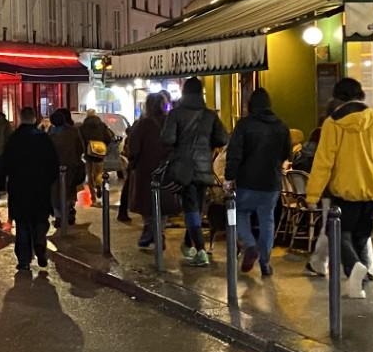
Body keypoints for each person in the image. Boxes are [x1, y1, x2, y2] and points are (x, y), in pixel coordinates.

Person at [302, 77, 373, 297]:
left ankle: (354, 268)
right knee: (361, 237)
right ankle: (356, 286)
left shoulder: (333, 124)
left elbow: (324, 162)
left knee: (339, 235)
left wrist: (312, 195)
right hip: (370, 192)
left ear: (338, 98)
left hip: (343, 193)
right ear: (361, 95)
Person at [159, 76, 228, 267]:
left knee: (191, 209)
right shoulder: (210, 115)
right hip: (204, 167)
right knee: (196, 208)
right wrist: (206, 145)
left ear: (185, 93)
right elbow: (222, 138)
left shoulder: (176, 114)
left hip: (184, 168)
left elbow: (167, 139)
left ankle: (200, 250)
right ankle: (188, 243)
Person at [223, 86, 292, 276]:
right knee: (267, 220)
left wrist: (229, 177)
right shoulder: (281, 126)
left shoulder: (244, 125)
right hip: (271, 183)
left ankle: (250, 245)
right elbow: (287, 153)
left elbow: (234, 154)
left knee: (240, 213)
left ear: (250, 105)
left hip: (247, 181)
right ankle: (265, 263)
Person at [1, 108, 61, 274]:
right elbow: (53, 164)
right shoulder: (43, 139)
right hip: (40, 187)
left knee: (22, 224)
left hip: (19, 188)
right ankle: (40, 242)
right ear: (35, 118)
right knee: (40, 219)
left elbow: (4, 164)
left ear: (20, 119)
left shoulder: (13, 139)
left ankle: (24, 260)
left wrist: (4, 183)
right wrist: (48, 181)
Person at [123, 91, 170, 249]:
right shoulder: (169, 122)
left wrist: (133, 162)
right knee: (163, 203)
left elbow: (133, 148)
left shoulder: (142, 124)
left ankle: (150, 229)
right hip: (167, 169)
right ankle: (159, 232)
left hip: (146, 169)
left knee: (147, 202)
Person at [47, 109, 85, 225]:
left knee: (55, 192)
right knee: (69, 190)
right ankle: (69, 212)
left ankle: (59, 217)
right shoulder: (73, 131)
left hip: (54, 167)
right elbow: (81, 148)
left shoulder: (50, 134)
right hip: (71, 166)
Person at [79, 108, 114, 206]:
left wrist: (84, 149)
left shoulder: (83, 127)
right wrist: (103, 145)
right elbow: (109, 137)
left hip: (89, 153)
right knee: (98, 173)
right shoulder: (102, 125)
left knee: (90, 175)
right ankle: (99, 185)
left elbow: (80, 139)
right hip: (99, 152)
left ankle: (93, 198)